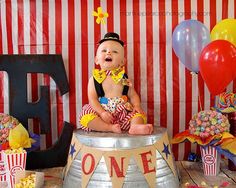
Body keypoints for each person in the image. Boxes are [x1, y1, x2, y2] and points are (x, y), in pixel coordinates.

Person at [78, 32, 153, 134]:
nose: (108, 53)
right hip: (102, 114)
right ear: (96, 60)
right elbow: (92, 99)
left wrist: (137, 106)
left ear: (122, 61)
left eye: (115, 51)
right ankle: (108, 127)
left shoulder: (123, 78)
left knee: (139, 115)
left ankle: (135, 127)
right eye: (104, 50)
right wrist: (102, 112)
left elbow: (133, 94)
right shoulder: (94, 79)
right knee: (85, 116)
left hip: (122, 112)